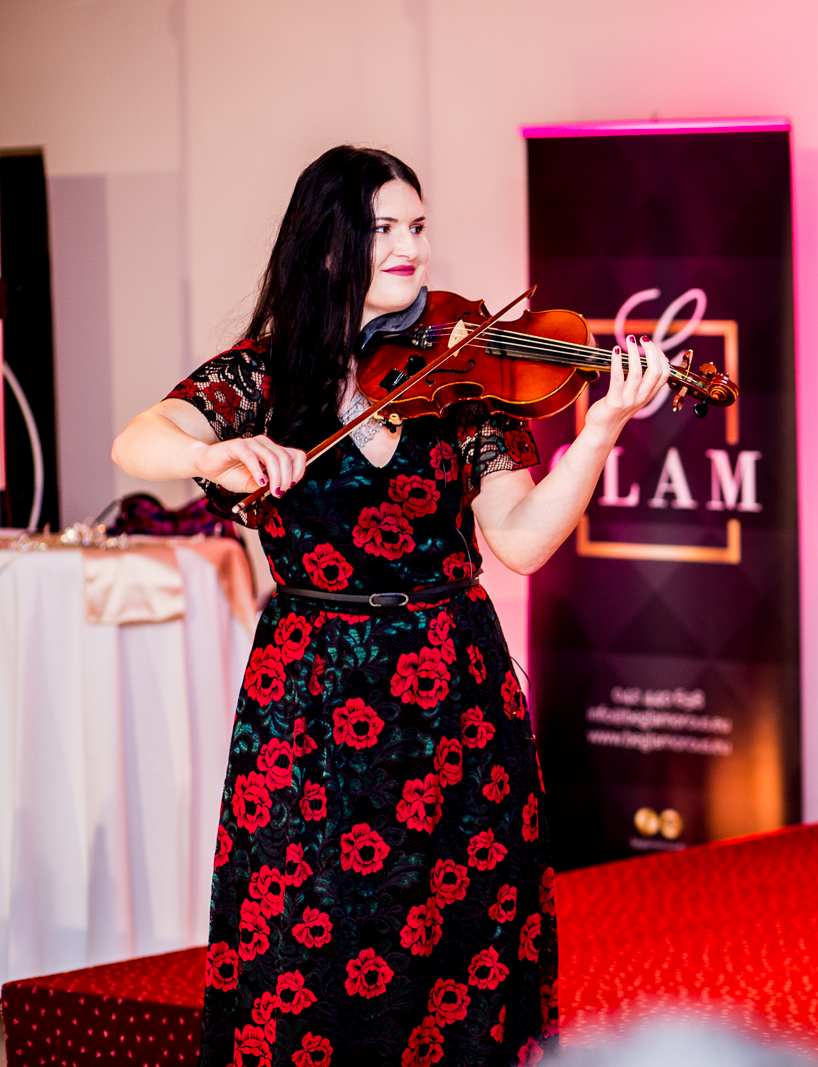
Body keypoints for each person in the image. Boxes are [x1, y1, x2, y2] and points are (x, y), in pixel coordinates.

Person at [111, 145, 668, 1066]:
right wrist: (214, 455)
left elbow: (522, 541)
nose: (409, 246)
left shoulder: (462, 375)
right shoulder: (261, 377)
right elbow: (143, 440)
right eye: (382, 229)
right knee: (304, 935)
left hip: (454, 689)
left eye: (416, 226)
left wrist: (600, 428)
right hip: (312, 692)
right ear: (328, 246)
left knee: (466, 943)